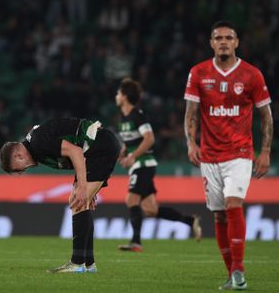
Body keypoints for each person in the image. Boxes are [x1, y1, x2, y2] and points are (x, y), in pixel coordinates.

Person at [184, 21, 273, 290]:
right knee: (220, 215)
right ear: (211, 43)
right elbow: (190, 114)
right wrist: (190, 143)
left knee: (234, 204)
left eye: (228, 37)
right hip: (209, 155)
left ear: (237, 42)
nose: (223, 41)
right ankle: (232, 275)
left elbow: (265, 116)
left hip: (240, 152)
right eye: (218, 38)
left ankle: (239, 269)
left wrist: (265, 151)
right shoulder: (198, 72)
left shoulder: (252, 74)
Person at [0, 118, 120, 273]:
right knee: (80, 202)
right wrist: (87, 188)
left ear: (18, 156)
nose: (23, 171)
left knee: (78, 202)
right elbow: (78, 149)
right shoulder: (35, 144)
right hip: (96, 149)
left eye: (19, 169)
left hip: (100, 148)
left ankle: (77, 264)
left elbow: (75, 152)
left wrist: (83, 186)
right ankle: (89, 264)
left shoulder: (38, 144)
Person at [115, 77, 202, 252]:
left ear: (124, 96)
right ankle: (190, 221)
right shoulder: (123, 119)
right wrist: (123, 152)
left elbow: (150, 139)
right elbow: (130, 140)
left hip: (144, 164)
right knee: (151, 209)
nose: (116, 96)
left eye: (118, 93)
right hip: (137, 165)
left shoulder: (137, 116)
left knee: (131, 199)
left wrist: (132, 156)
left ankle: (136, 242)